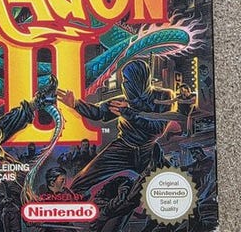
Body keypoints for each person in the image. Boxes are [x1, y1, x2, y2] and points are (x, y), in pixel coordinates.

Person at [57, 60, 174, 196]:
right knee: (80, 182)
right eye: (123, 80)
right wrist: (76, 104)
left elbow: (158, 129)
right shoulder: (123, 101)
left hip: (148, 152)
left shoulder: (164, 97)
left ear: (139, 80)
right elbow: (99, 112)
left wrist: (130, 114)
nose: (124, 84)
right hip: (123, 148)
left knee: (170, 185)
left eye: (127, 80)